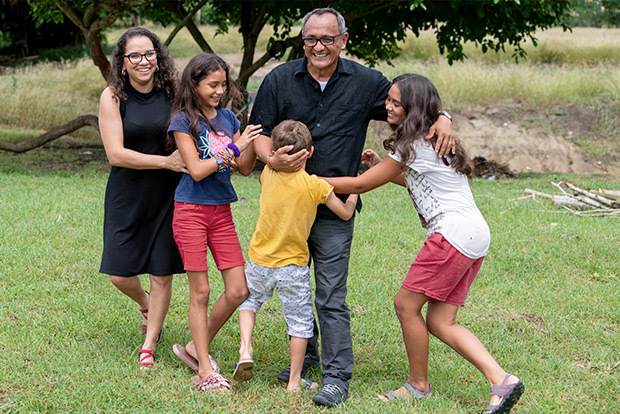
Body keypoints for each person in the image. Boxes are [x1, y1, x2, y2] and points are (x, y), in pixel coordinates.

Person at [249, 7, 454, 407]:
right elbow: (257, 132)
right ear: (302, 41)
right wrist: (269, 159)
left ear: (343, 40)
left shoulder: (366, 82)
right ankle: (304, 354)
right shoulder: (278, 79)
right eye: (311, 39)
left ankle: (336, 376)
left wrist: (443, 116)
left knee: (329, 293)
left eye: (328, 39)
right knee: (291, 290)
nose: (319, 47)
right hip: (286, 211)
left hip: (332, 209)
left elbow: (412, 103)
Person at [323, 73, 524, 414]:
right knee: (441, 322)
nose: (387, 106)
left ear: (413, 108)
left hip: (451, 235)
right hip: (474, 235)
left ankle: (418, 385)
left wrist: (309, 179)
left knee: (405, 305)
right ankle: (501, 380)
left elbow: (359, 184)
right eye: (388, 99)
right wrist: (381, 166)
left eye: (396, 103)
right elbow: (423, 181)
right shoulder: (434, 141)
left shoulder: (413, 145)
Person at [233, 120, 358, 393]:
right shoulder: (315, 186)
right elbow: (345, 213)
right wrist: (355, 192)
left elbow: (268, 161)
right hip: (293, 265)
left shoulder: (268, 173)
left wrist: (271, 160)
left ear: (277, 151)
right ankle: (293, 382)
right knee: (300, 323)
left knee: (249, 301)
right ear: (310, 153)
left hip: (260, 259)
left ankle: (245, 349)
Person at [167, 52, 262, 392]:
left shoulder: (227, 119)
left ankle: (196, 345)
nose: (220, 90)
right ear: (194, 83)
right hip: (190, 209)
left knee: (239, 289)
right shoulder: (182, 120)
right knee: (202, 291)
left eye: (223, 84)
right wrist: (234, 148)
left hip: (221, 211)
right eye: (213, 85)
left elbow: (246, 169)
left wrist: (248, 141)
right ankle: (205, 369)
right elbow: (196, 168)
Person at [98, 27, 186, 368]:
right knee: (119, 272)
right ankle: (148, 304)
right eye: (134, 55)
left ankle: (150, 341)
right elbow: (116, 154)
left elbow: (200, 122)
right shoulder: (113, 97)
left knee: (162, 271)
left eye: (149, 53)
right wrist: (166, 161)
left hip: (170, 194)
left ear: (158, 56)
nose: (143, 61)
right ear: (122, 63)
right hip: (127, 192)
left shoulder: (174, 90)